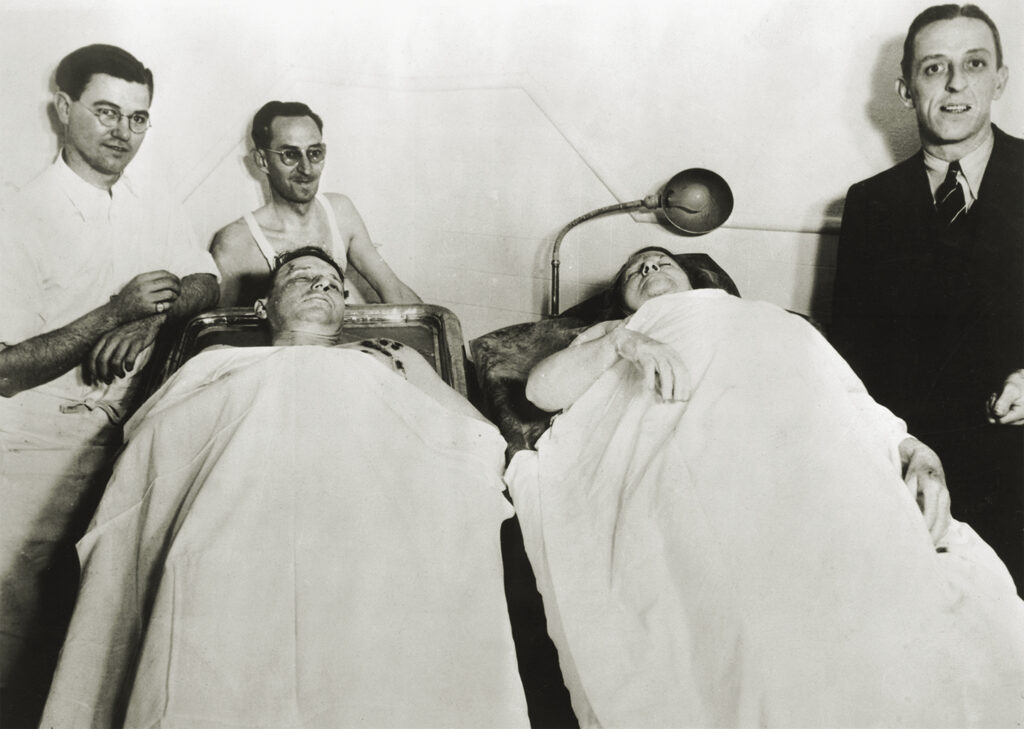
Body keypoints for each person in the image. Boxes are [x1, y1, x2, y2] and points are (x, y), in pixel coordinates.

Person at [508, 246, 1024, 727]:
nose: (647, 271)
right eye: (634, 272)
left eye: (659, 261)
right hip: (687, 443)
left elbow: (847, 397)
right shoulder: (622, 331)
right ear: (622, 299)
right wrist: (626, 341)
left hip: (800, 444)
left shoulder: (774, 319)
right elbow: (541, 390)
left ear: (695, 279)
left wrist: (918, 452)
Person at [40, 248, 530, 728]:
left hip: (366, 500)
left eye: (334, 285)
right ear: (263, 307)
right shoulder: (220, 360)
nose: (322, 286)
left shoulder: (389, 355)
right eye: (302, 277)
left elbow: (475, 435)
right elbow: (158, 443)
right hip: (235, 500)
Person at [0, 44, 219, 724]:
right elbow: (6, 367)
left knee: (101, 637)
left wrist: (152, 325)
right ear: (61, 110)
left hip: (126, 444)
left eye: (138, 117)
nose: (123, 132)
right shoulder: (15, 213)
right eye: (105, 111)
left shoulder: (149, 201)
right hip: (31, 451)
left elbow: (206, 282)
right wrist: (114, 314)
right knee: (15, 637)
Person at [830, 4, 1023, 592]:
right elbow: (852, 366)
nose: (956, 82)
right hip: (914, 472)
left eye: (974, 63)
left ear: (1000, 78)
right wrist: (902, 448)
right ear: (906, 88)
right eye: (935, 67)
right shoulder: (869, 205)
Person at [211, 101, 421, 307]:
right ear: (262, 161)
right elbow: (218, 331)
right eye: (290, 155)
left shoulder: (340, 211)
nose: (307, 169)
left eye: (314, 153)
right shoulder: (236, 241)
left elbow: (393, 289)